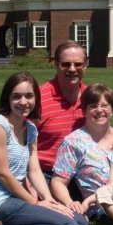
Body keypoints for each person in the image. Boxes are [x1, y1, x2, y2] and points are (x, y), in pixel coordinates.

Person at [0, 72, 88, 225]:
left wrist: (48, 199)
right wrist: (35, 203)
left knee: (79, 221)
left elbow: (34, 170)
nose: (23, 102)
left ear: (36, 98)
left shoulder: (30, 129)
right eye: (16, 96)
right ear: (7, 98)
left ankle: (11, 223)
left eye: (29, 96)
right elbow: (3, 175)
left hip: (19, 199)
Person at [50, 83, 113, 218]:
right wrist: (70, 202)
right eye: (93, 106)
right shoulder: (74, 142)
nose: (99, 110)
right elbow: (58, 182)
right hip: (102, 207)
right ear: (84, 111)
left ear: (112, 110)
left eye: (105, 106)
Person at [37, 40, 87, 183]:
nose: (72, 69)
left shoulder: (91, 99)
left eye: (78, 64)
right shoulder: (39, 97)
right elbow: (20, 143)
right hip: (46, 174)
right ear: (55, 64)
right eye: (65, 64)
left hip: (81, 175)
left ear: (85, 66)